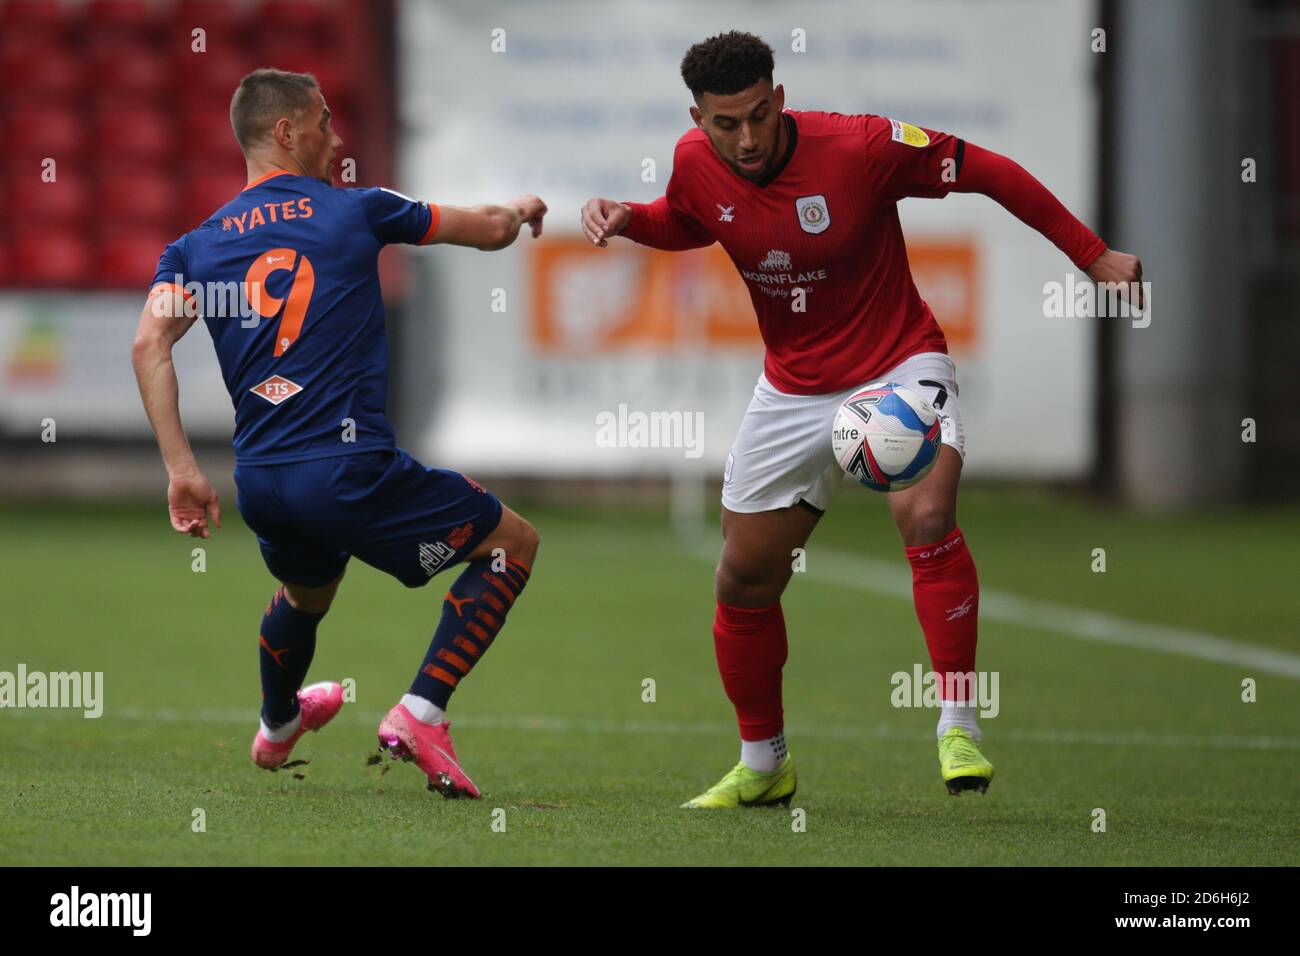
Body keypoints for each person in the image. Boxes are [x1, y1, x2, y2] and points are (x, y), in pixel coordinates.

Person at [580, 32, 1142, 807]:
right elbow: (691, 219)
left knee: (926, 509)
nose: (745, 139)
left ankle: (956, 722)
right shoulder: (693, 160)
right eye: (725, 124)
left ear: (779, 98)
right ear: (698, 120)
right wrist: (631, 218)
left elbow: (989, 170)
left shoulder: (862, 147)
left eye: (757, 116)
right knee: (743, 579)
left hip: (897, 366)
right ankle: (764, 762)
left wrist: (1091, 254)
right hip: (791, 389)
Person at [132, 68, 547, 799]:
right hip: (350, 467)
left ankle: (277, 726)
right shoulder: (358, 211)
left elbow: (148, 346)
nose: (338, 136)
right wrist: (516, 210)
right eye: (325, 121)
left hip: (261, 480)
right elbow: (484, 231)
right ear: (287, 133)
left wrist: (180, 470)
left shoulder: (194, 249)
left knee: (306, 594)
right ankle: (422, 711)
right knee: (514, 543)